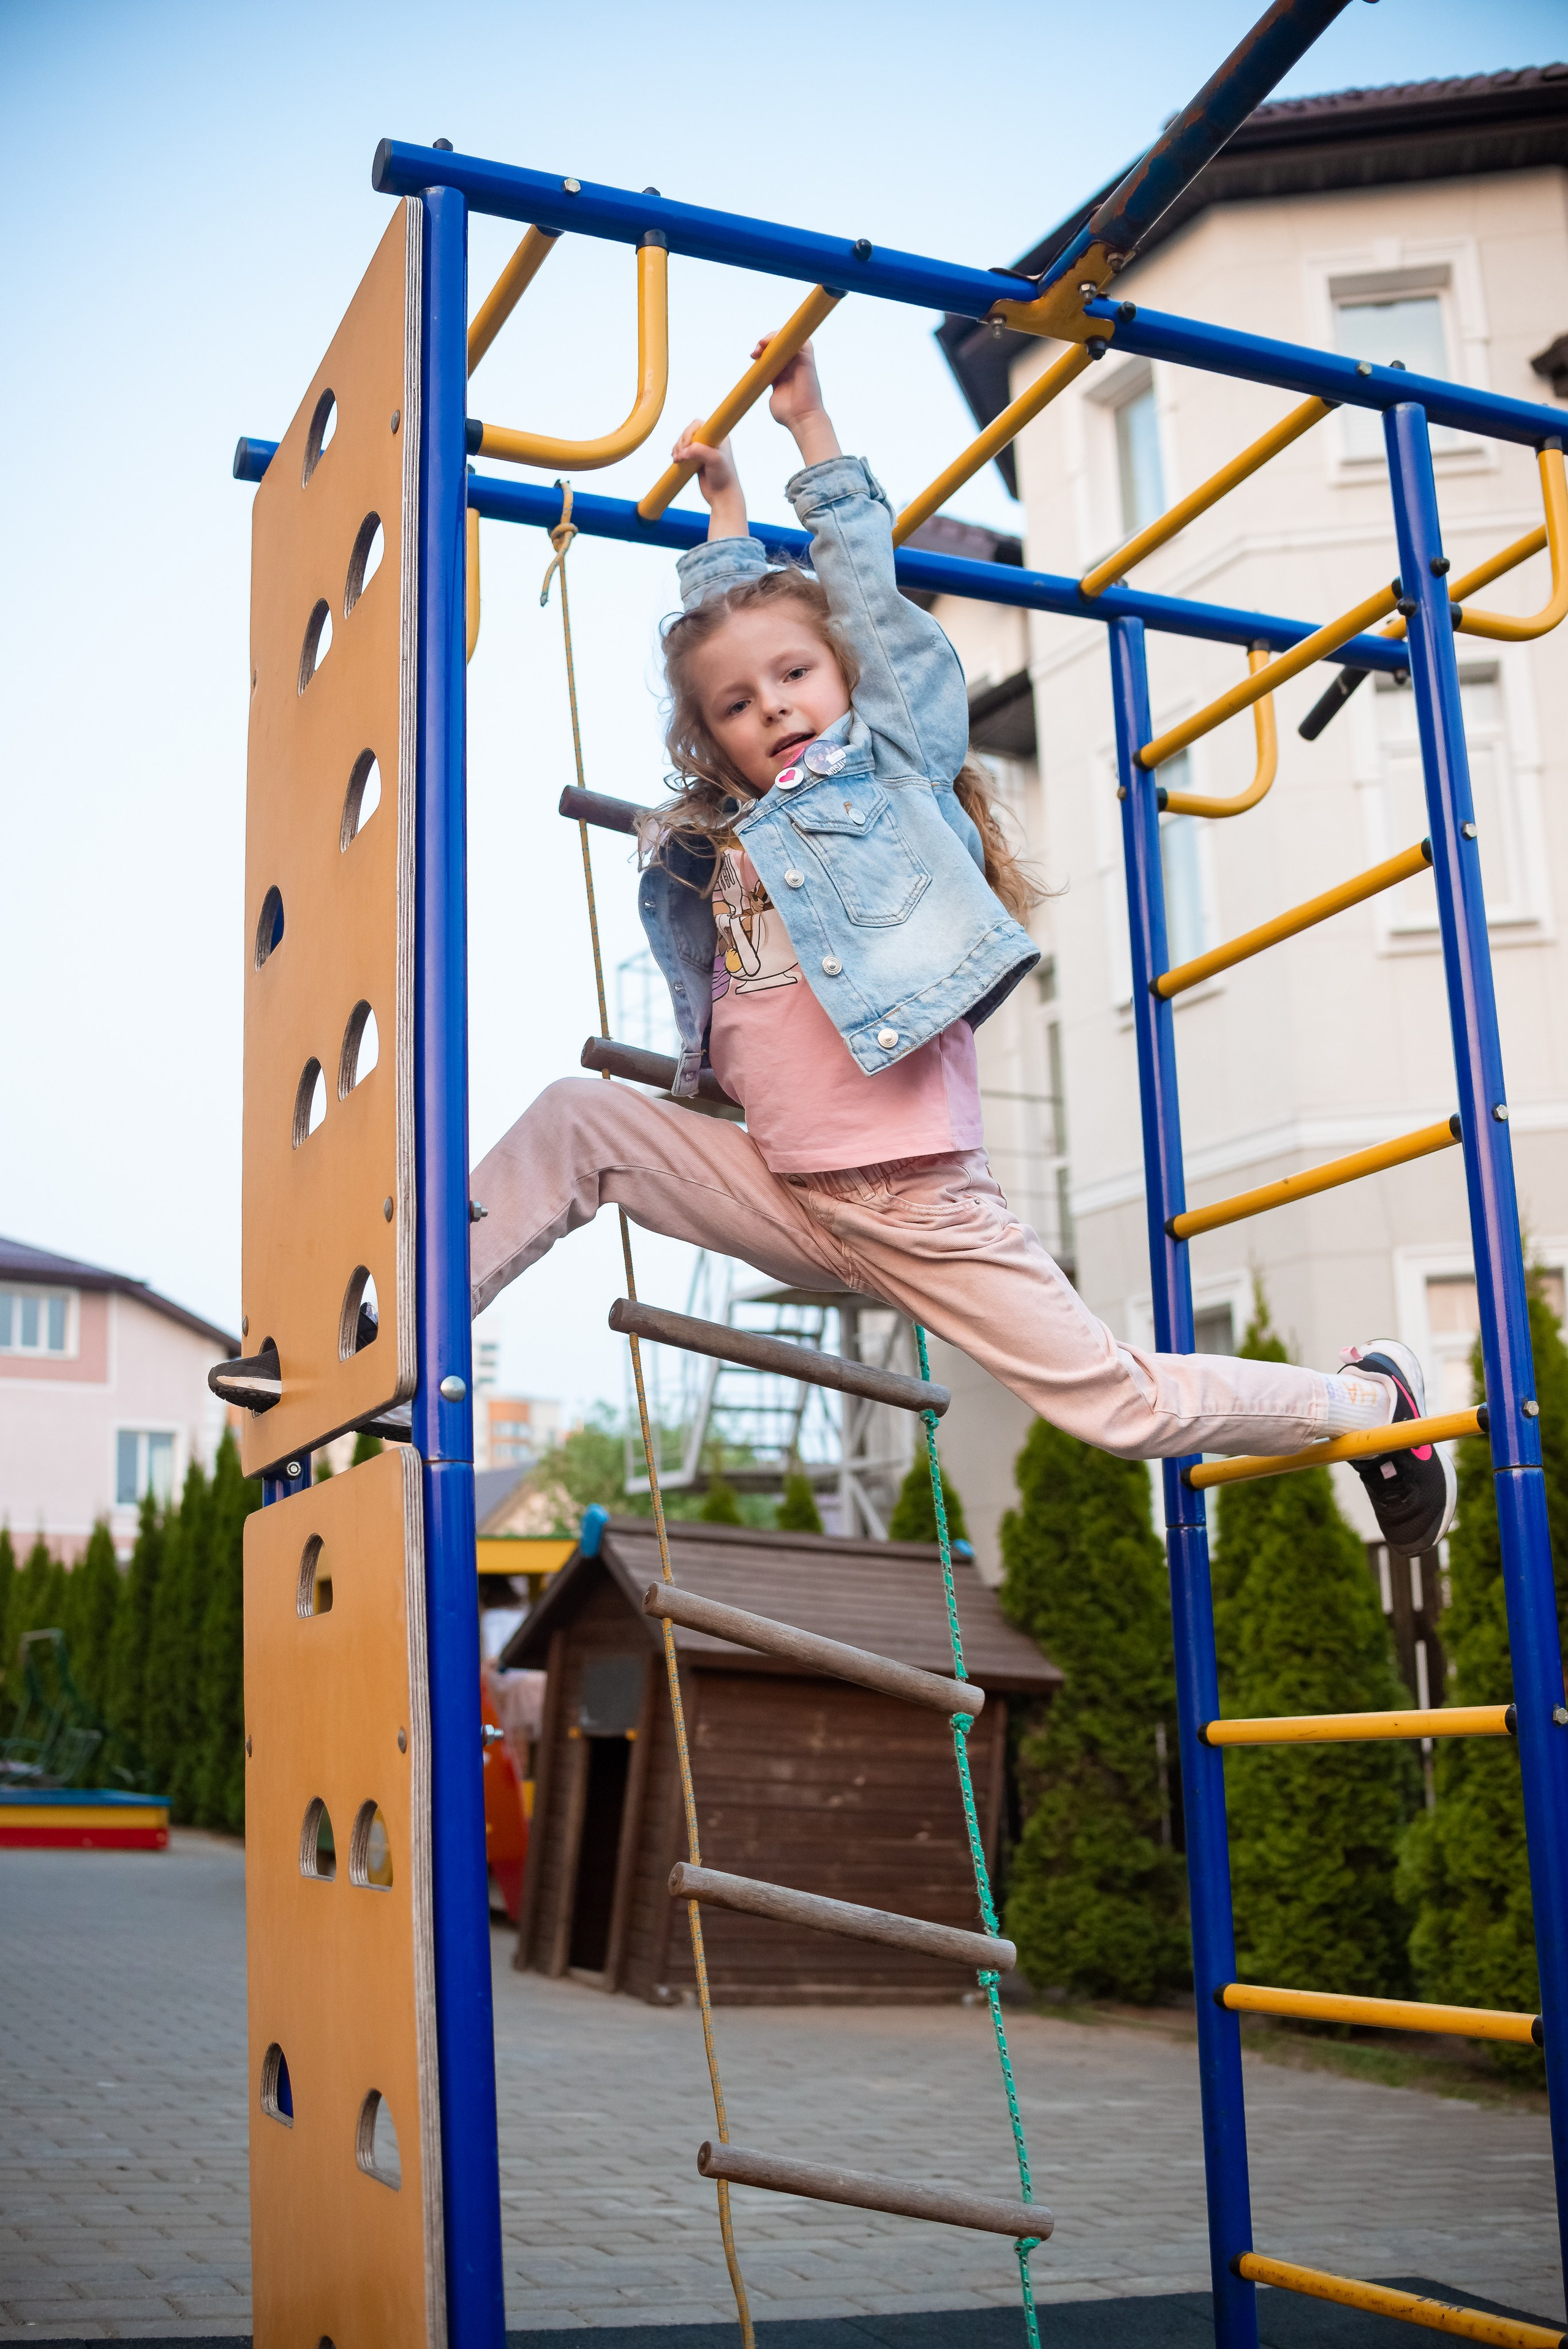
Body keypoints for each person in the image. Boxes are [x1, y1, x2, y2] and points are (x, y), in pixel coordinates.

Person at [471, 338, 1454, 1557]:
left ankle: (1361, 1398)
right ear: (711, 741)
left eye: (795, 675)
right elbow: (726, 638)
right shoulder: (732, 833)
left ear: (840, 682)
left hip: (921, 1203)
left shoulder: (887, 778)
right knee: (579, 1116)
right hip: (785, 1188)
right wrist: (719, 523)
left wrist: (808, 433)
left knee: (1118, 1402)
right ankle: (408, 1329)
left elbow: (872, 623)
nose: (771, 704)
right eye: (736, 704)